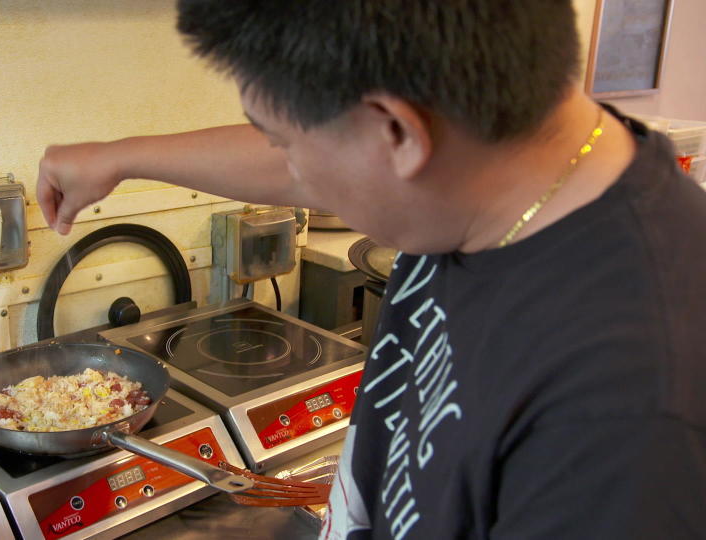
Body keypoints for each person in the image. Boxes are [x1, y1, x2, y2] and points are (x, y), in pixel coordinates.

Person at [36, 1, 706, 538]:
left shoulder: (626, 426)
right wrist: (118, 157)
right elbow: (331, 157)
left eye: (286, 139)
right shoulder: (518, 151)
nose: (285, 163)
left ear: (398, 134)